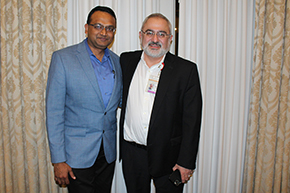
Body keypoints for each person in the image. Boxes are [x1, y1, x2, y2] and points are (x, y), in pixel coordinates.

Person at [119, 13, 202, 193]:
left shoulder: (186, 70)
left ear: (170, 39)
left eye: (161, 34)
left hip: (169, 157)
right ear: (140, 36)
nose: (155, 39)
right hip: (132, 154)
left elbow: (192, 121)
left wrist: (186, 162)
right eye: (149, 32)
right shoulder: (126, 61)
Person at [46, 6, 122, 193]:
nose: (104, 32)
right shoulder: (63, 59)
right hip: (76, 155)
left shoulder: (118, 62)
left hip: (108, 153)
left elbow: (120, 102)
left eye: (110, 28)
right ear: (86, 27)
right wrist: (58, 160)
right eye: (98, 26)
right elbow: (54, 113)